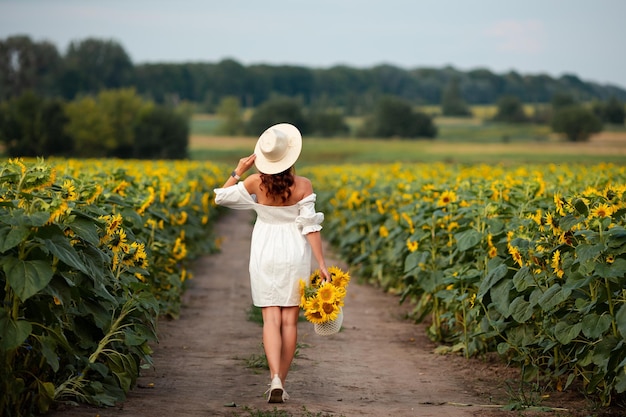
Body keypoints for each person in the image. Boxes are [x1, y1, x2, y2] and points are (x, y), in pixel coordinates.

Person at [213, 123, 330, 403]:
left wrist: (238, 170)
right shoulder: (303, 185)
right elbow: (311, 227)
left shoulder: (255, 182)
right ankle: (281, 382)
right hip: (294, 252)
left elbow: (220, 197)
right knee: (290, 321)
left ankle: (274, 376)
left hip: (264, 250)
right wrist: (322, 264)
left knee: (270, 318)